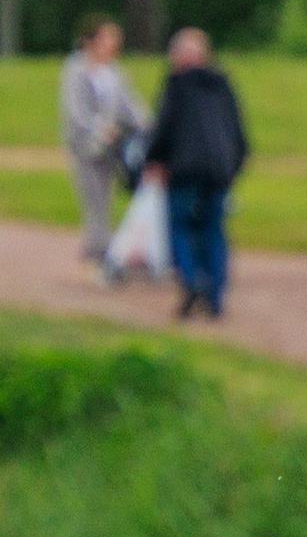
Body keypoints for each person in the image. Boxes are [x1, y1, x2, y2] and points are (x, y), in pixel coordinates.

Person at [141, 28, 252, 323]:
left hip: (184, 170)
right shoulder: (222, 83)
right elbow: (237, 129)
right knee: (213, 230)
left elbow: (164, 128)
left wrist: (152, 159)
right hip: (218, 170)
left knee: (179, 227)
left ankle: (191, 282)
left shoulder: (176, 84)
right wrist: (236, 164)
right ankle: (214, 297)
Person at [58, 18, 146, 279]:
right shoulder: (75, 70)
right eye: (109, 39)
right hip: (86, 147)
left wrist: (151, 126)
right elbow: (75, 110)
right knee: (93, 199)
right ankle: (95, 253)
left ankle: (102, 251)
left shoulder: (114, 72)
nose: (114, 45)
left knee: (104, 198)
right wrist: (99, 128)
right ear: (92, 41)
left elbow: (129, 105)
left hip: (111, 147)